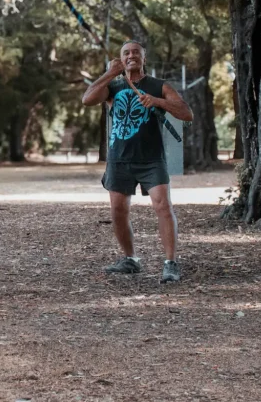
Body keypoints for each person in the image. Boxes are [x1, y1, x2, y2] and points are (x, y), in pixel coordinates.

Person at [81, 41, 194, 283]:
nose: (131, 56)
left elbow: (186, 113)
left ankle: (170, 264)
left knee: (163, 207)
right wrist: (109, 73)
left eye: (136, 53)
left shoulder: (158, 86)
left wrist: (158, 102)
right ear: (121, 58)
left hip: (151, 158)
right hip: (119, 159)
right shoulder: (113, 86)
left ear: (144, 58)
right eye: (126, 53)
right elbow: (87, 99)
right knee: (118, 211)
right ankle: (130, 259)